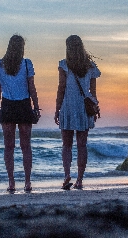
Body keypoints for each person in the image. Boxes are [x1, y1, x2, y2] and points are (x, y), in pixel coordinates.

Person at [0, 34, 41, 193]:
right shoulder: (27, 64)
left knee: (9, 147)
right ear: (22, 47)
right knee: (25, 146)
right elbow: (31, 87)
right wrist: (36, 106)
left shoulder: (0, 64)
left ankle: (11, 182)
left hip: (7, 105)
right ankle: (27, 182)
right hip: (23, 105)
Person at [54, 35, 101, 190]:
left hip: (68, 106)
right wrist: (94, 109)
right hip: (83, 108)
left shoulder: (64, 65)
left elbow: (61, 88)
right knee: (82, 145)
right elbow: (93, 93)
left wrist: (57, 109)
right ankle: (79, 180)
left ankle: (67, 175)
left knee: (66, 145)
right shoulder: (90, 66)